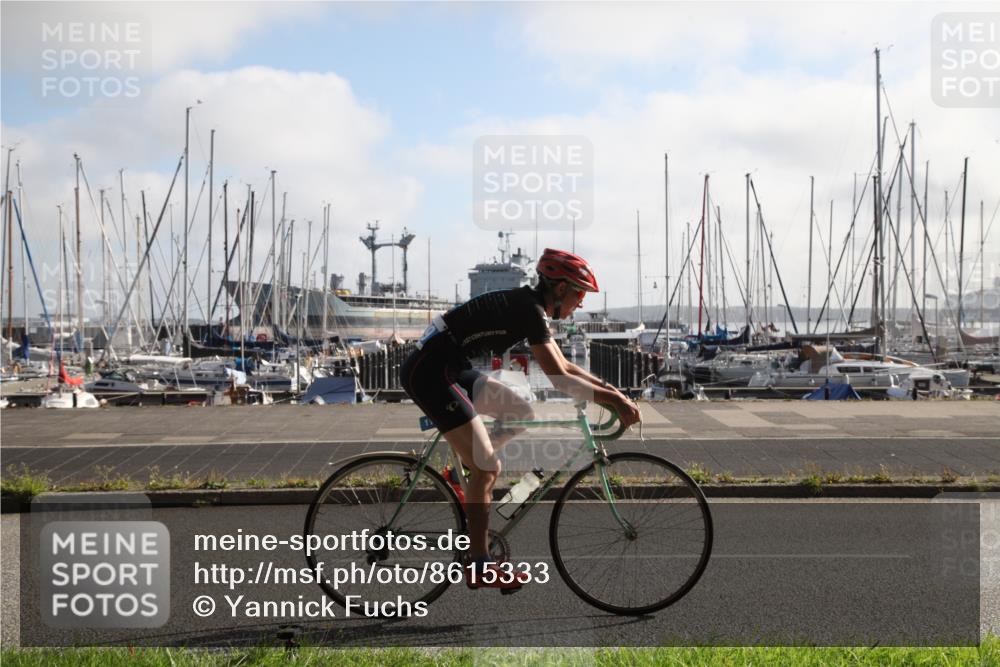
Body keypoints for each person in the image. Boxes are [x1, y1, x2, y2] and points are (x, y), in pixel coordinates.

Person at [400, 248, 642, 591]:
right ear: (560, 289)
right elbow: (559, 379)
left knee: (521, 412)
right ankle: (481, 566)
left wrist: (612, 391)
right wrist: (615, 400)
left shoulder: (531, 308)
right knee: (488, 468)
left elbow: (566, 367)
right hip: (431, 373)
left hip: (449, 367)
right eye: (579, 295)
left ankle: (459, 476)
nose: (580, 304)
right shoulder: (530, 310)